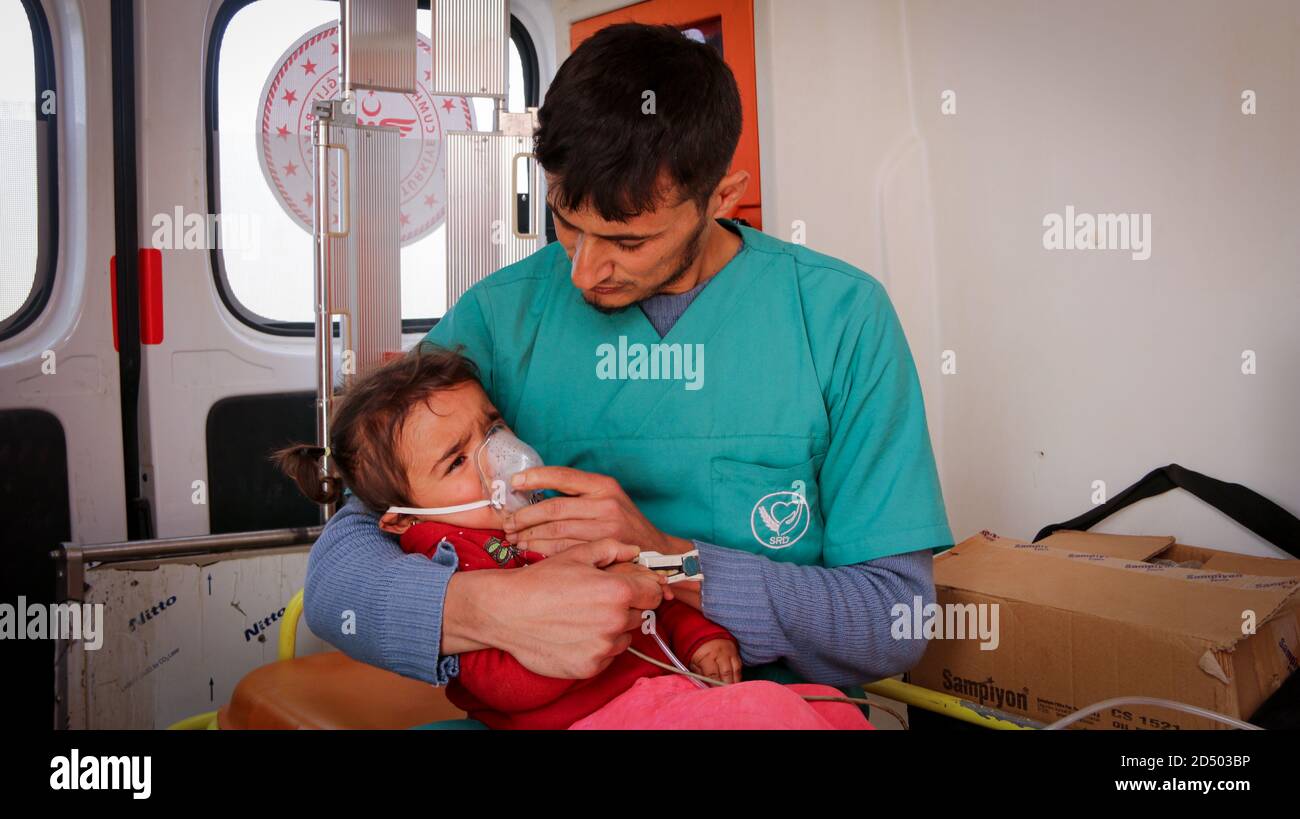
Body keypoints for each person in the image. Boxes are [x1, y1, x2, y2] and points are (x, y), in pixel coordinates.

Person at [303, 22, 952, 699]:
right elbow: (338, 571)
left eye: (626, 240)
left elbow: (892, 619)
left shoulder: (839, 318)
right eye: (566, 221)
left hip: (765, 705)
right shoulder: (500, 318)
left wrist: (671, 559)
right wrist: (498, 610)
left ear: (721, 199)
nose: (583, 273)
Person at [279, 345, 870, 729]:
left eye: (494, 429)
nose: (497, 458)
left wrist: (700, 638)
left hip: (665, 692)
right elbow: (500, 687)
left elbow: (649, 587)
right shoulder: (449, 559)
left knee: (833, 712)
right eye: (458, 460)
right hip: (584, 719)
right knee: (766, 715)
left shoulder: (555, 519)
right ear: (403, 517)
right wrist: (557, 632)